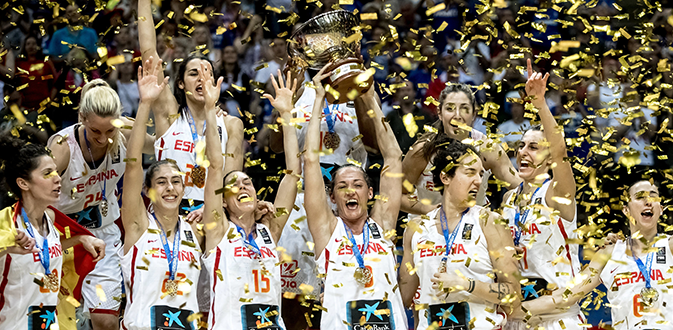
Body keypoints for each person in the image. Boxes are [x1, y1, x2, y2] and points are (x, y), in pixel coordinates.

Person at [520, 140, 673, 330]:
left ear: (661, 209)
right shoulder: (608, 253)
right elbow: (564, 297)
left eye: (653, 196)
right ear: (626, 210)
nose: (647, 201)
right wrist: (512, 310)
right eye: (639, 197)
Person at [0, 134, 105, 329]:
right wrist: (1, 249)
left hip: (47, 324)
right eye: (47, 173)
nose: (58, 179)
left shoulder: (50, 219)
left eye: (57, 172)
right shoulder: (3, 224)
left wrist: (80, 238)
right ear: (23, 183)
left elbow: (45, 249)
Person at [304, 63, 408, 329]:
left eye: (358, 185)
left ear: (370, 193)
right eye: (342, 186)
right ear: (332, 197)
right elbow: (311, 162)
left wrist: (369, 95)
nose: (350, 190)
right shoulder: (327, 230)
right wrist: (317, 99)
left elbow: (393, 158)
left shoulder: (383, 226)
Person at [47, 79, 156, 330]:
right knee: (59, 320)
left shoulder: (126, 131)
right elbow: (36, 192)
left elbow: (162, 142)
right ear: (83, 118)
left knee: (106, 321)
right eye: (96, 131)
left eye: (110, 131)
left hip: (104, 235)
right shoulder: (62, 148)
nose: (104, 138)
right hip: (64, 236)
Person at [202, 69, 301, 329]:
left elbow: (292, 176)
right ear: (223, 200)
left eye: (247, 182)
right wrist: (210, 110)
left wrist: (287, 115)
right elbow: (214, 166)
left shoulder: (269, 230)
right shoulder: (217, 231)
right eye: (233, 185)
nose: (243, 185)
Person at [138, 0, 244, 223]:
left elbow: (232, 183)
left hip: (211, 220)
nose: (202, 78)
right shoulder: (169, 116)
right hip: (166, 217)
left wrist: (210, 213)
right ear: (180, 84)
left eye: (207, 73)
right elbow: (149, 52)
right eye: (194, 73)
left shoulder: (232, 125)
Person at [399, 140, 521, 329]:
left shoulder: (490, 222)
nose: (479, 181)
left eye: (480, 174)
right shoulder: (416, 228)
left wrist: (467, 285)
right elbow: (403, 298)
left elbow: (513, 296)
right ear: (446, 177)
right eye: (470, 172)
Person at [120, 58, 204, 330]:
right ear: (149, 190)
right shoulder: (137, 225)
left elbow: (216, 168)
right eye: (162, 182)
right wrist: (145, 104)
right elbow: (132, 166)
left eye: (176, 181)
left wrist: (211, 111)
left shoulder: (197, 231)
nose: (170, 188)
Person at [500, 59, 583, 330]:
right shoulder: (508, 200)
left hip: (559, 318)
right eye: (521, 146)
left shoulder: (556, 193)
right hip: (519, 316)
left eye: (534, 147)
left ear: (547, 159)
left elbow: (561, 153)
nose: (523, 151)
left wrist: (540, 103)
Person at [401, 82, 520, 215]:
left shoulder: (487, 148)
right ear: (440, 113)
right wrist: (428, 210)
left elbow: (520, 187)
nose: (457, 115)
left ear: (474, 114)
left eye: (464, 109)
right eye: (450, 109)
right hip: (428, 228)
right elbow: (397, 195)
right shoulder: (422, 150)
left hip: (474, 230)